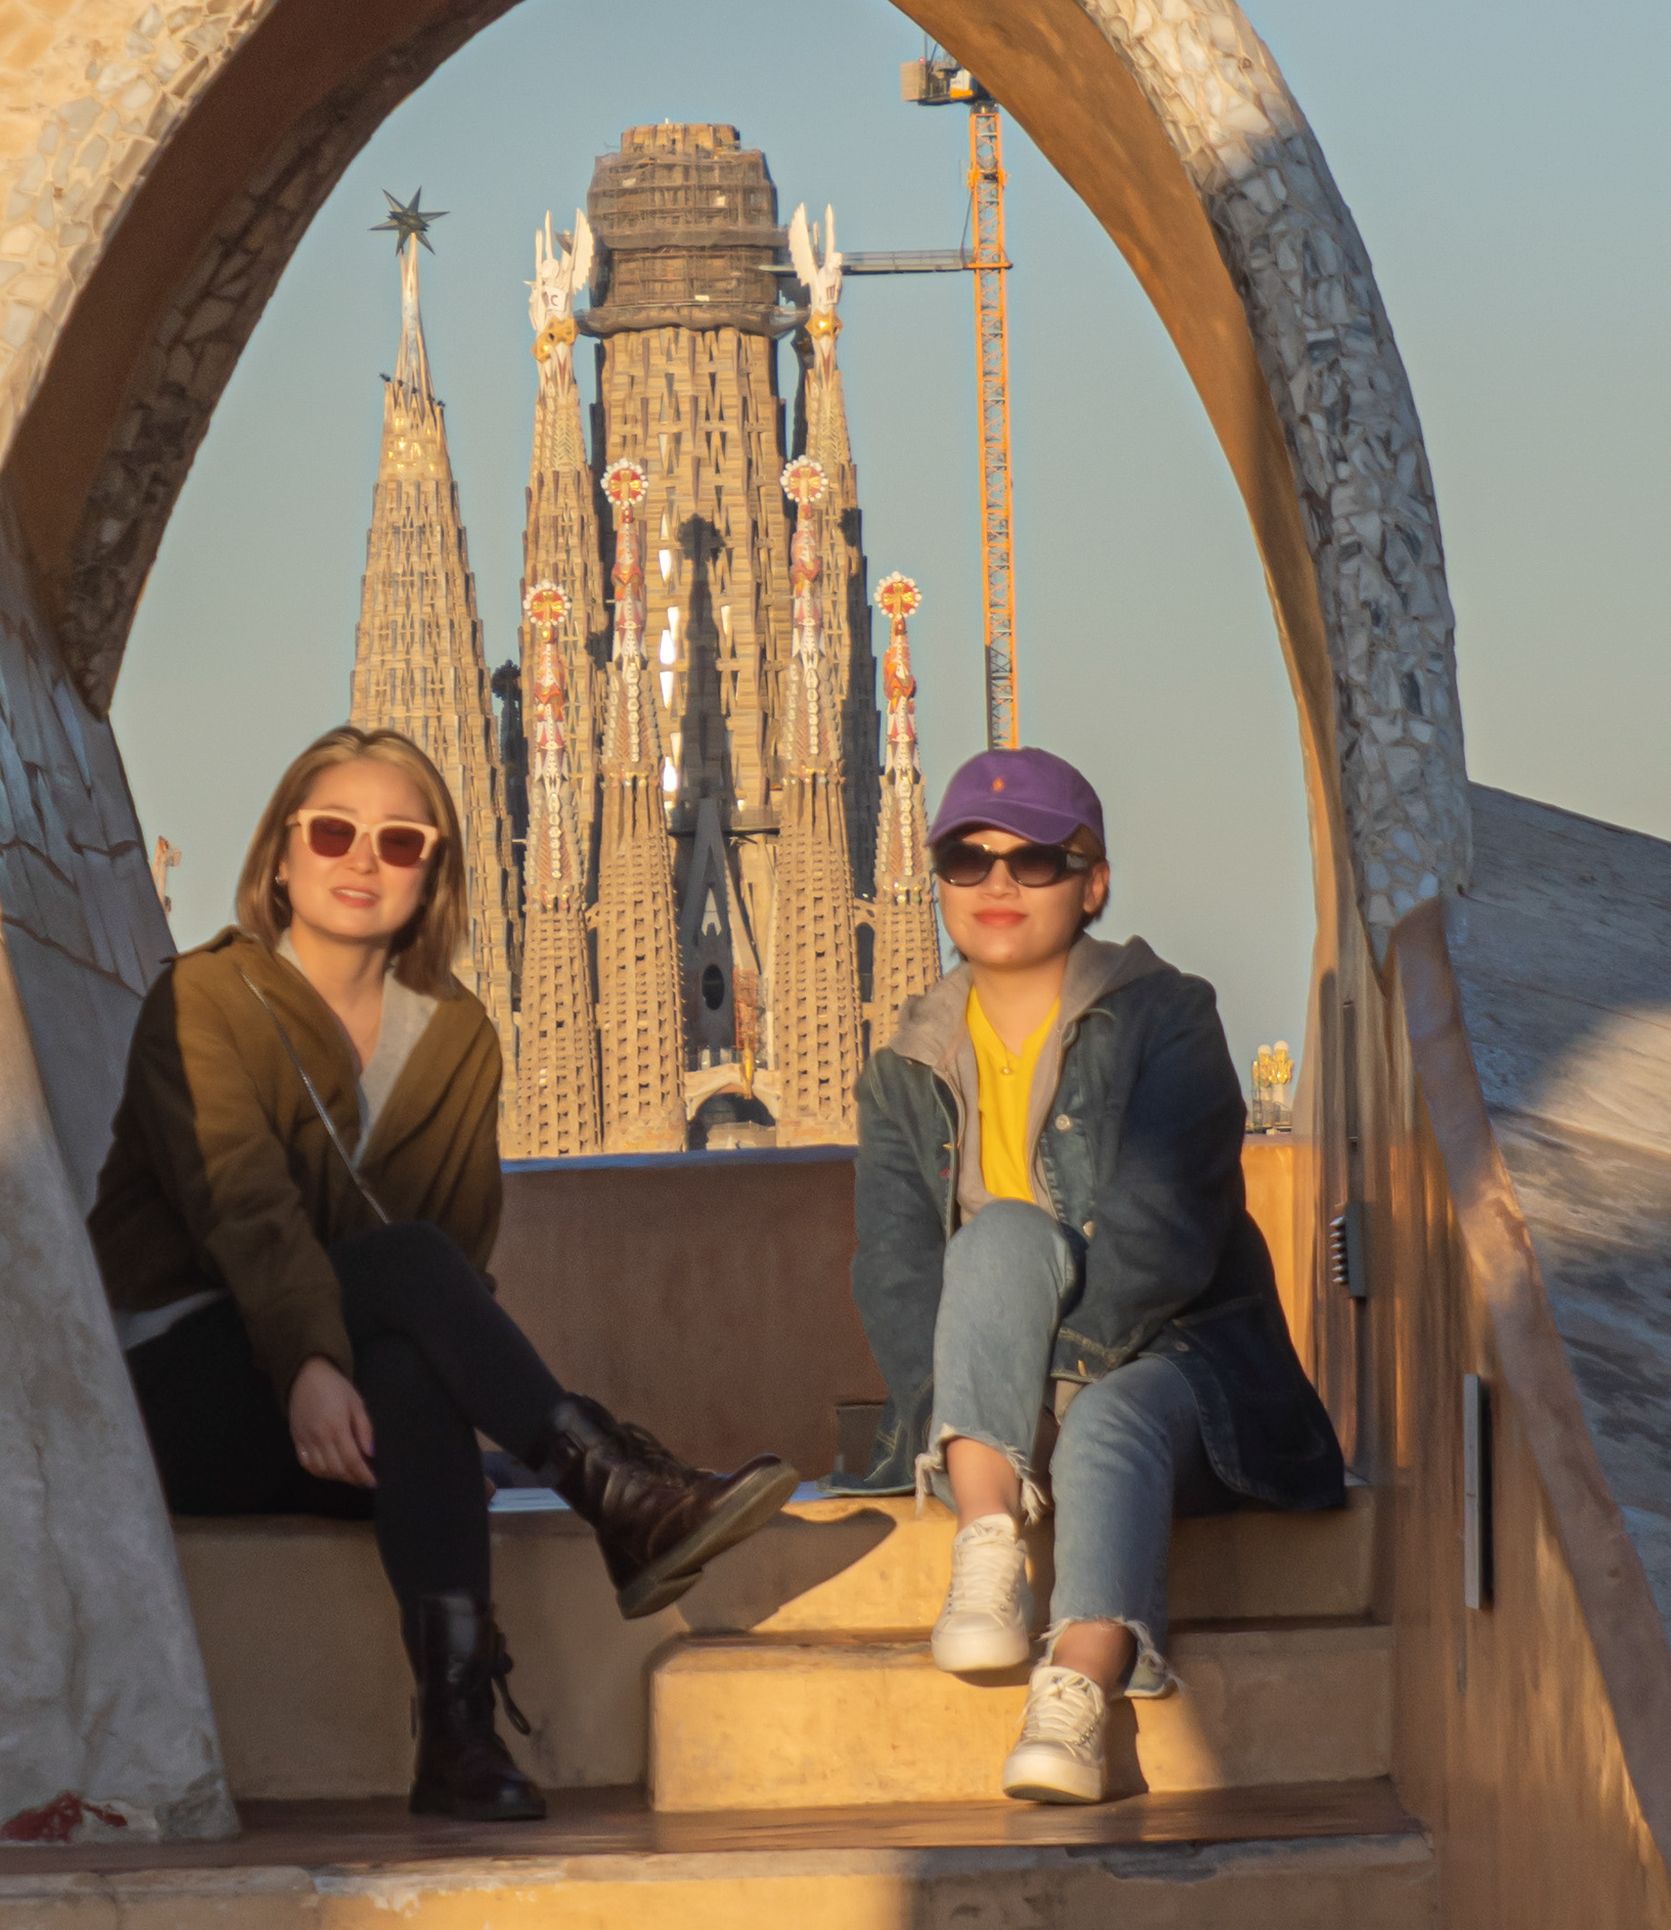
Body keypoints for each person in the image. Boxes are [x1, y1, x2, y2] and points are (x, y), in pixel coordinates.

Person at [88, 724, 797, 1823]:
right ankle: (611, 1486)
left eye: (400, 842)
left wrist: (351, 1367)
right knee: (404, 1286)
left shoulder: (457, 1034)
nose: (361, 859)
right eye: (331, 832)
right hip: (185, 1386)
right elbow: (246, 1211)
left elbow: (455, 1252)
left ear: (436, 876)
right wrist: (312, 1364)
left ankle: (459, 1736)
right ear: (280, 857)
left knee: (413, 1363)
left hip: (342, 1411)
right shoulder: (205, 1003)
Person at [838, 747, 1343, 1804]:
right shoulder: (906, 1066)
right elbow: (894, 1271)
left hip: (1182, 1363)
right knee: (1000, 1239)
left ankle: (1075, 1687)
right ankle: (988, 1544)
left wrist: (1051, 1390)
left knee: (1112, 1415)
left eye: (1035, 860)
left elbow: (1165, 1233)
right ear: (936, 882)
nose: (999, 885)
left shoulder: (1169, 1018)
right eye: (967, 861)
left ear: (1093, 882)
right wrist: (988, 1410)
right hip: (1000, 1400)